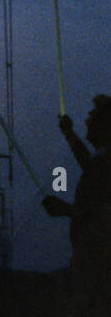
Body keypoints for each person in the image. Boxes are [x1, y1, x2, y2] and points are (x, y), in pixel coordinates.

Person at [43, 95, 111, 305]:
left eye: (92, 117)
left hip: (99, 263)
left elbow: (104, 213)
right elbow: (89, 164)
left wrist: (67, 210)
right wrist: (69, 134)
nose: (86, 121)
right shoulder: (102, 158)